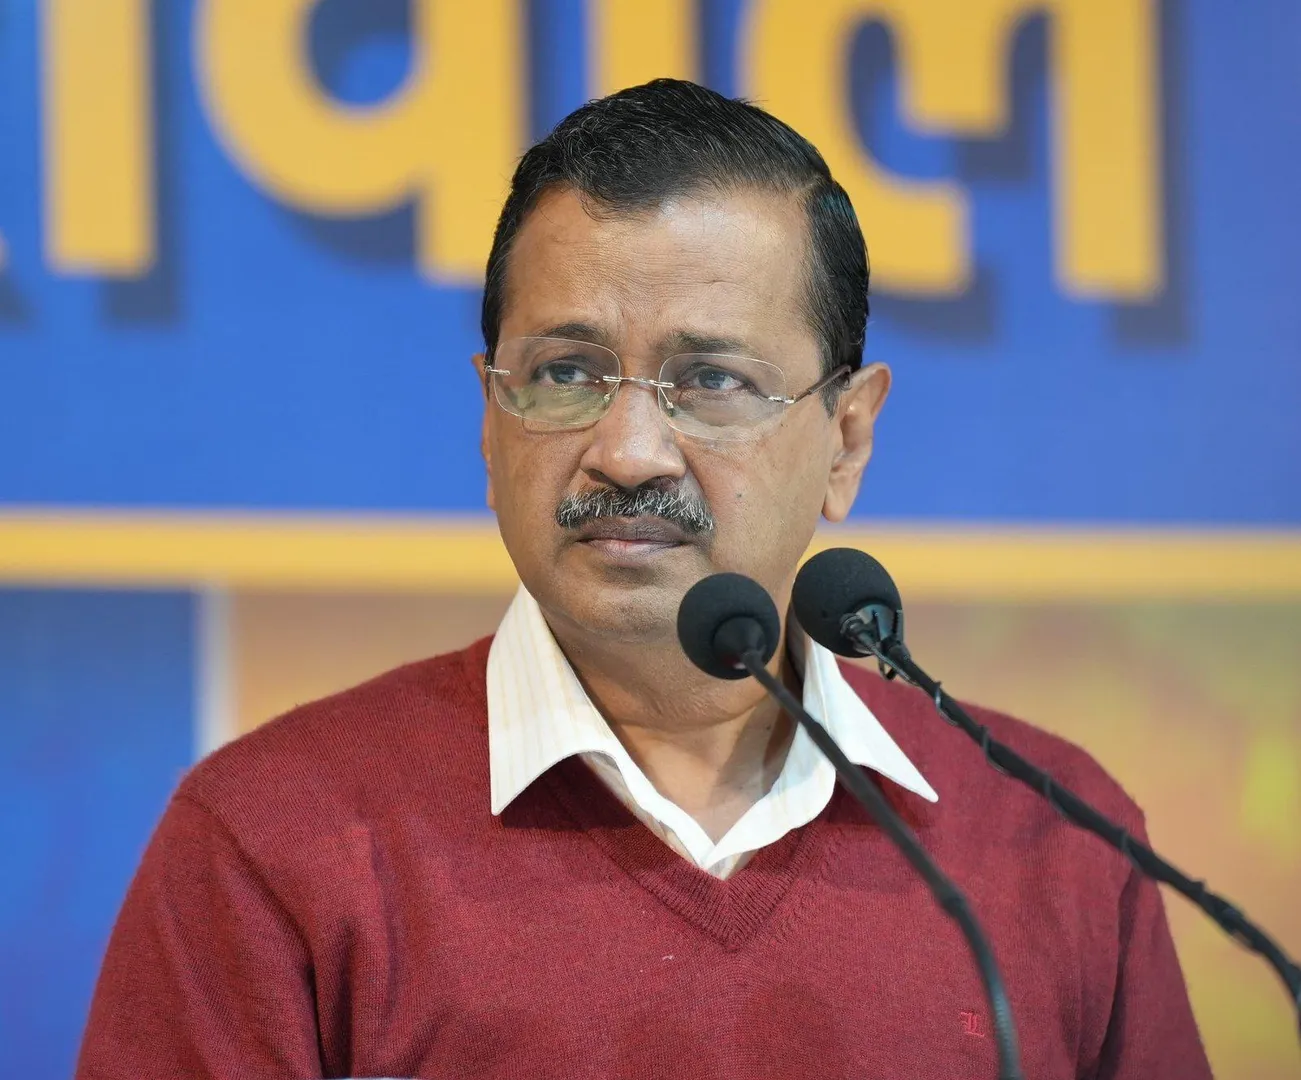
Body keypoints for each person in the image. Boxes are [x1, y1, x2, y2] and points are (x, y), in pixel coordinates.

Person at [75, 79, 1211, 1080]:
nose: (625, 452)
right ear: (488, 416)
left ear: (846, 440)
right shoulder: (272, 839)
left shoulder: (1049, 843)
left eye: (709, 381)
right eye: (565, 372)